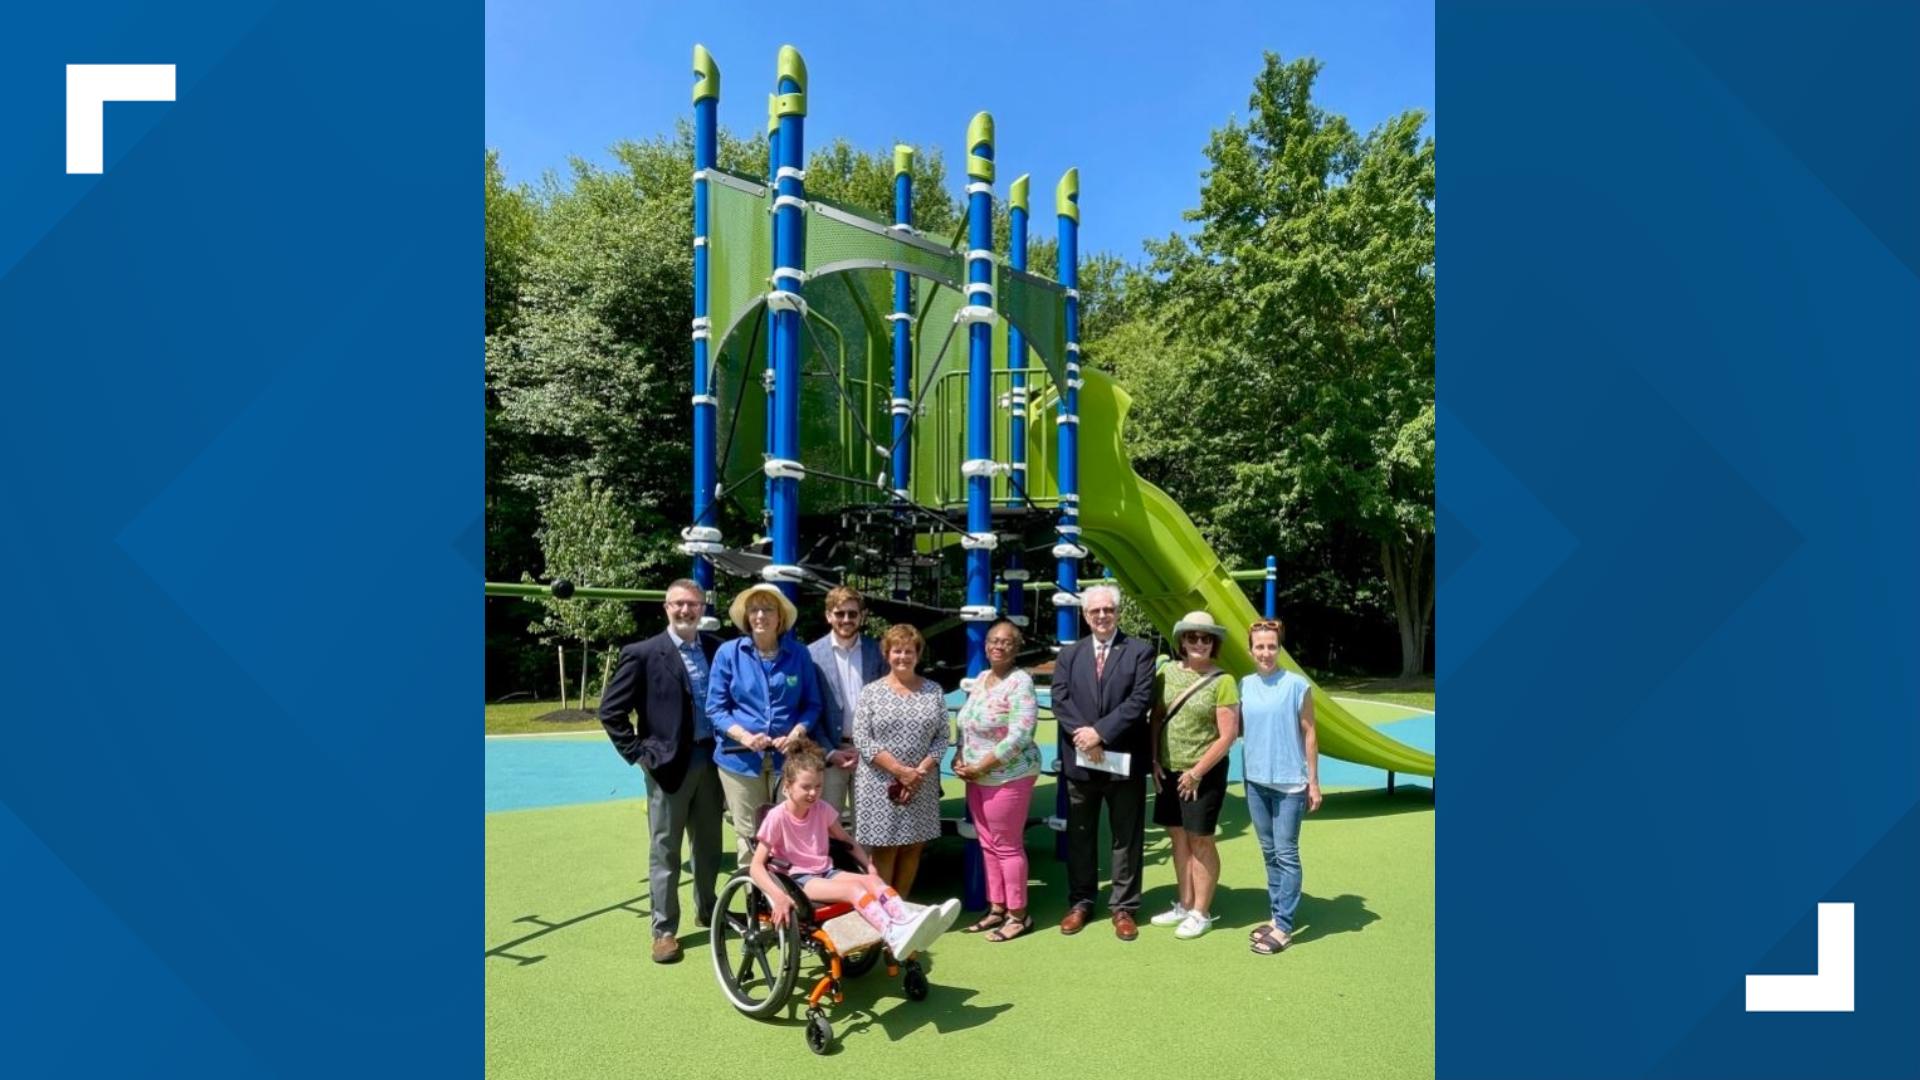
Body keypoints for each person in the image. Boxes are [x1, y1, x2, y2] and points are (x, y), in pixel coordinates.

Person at [596, 579, 725, 964]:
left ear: (703, 609)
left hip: (713, 763)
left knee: (709, 846)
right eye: (679, 604)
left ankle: (709, 909)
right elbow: (611, 712)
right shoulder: (643, 653)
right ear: (666, 607)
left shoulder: (719, 650)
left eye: (694, 604)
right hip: (668, 767)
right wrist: (639, 754)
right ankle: (664, 930)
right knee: (666, 850)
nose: (687, 611)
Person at [749, 734, 960, 960]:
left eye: (818, 786)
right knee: (854, 891)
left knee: (872, 882)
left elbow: (848, 842)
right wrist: (777, 896)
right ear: (788, 787)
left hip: (826, 872)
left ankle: (907, 920)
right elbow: (756, 867)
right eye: (806, 787)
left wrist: (868, 868)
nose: (813, 793)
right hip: (798, 880)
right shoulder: (777, 817)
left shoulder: (821, 808)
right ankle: (893, 933)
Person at [1051, 582, 1157, 940]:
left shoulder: (1140, 651)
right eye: (1094, 610)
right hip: (1080, 761)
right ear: (1085, 615)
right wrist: (1085, 735)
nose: (1101, 616)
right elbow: (1060, 699)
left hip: (1123, 760)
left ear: (1117, 612)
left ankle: (1124, 907)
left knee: (1125, 836)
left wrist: (1100, 733)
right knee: (1080, 834)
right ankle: (1081, 902)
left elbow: (1140, 699)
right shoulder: (1069, 655)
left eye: (1107, 610)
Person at [707, 583, 824, 863]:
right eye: (754, 609)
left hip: (788, 761)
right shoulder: (728, 653)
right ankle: (755, 898)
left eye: (768, 609)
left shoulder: (799, 654)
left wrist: (796, 733)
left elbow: (812, 705)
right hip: (740, 761)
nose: (761, 615)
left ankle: (788, 899)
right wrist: (744, 736)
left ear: (780, 618)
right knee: (749, 835)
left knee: (789, 831)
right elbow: (715, 707)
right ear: (747, 617)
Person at [1147, 611, 1241, 940]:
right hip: (1168, 771)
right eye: (1191, 637)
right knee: (1177, 837)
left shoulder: (1223, 681)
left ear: (1213, 643)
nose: (1198, 643)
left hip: (1205, 774)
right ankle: (1185, 904)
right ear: (1182, 642)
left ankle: (1202, 911)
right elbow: (1157, 718)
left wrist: (1198, 772)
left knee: (1201, 839)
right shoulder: (1166, 674)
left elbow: (1227, 736)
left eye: (1205, 638)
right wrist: (1155, 760)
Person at [952, 619, 1042, 942]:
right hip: (977, 776)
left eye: (1006, 641)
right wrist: (961, 756)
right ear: (986, 645)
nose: (998, 646)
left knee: (1007, 846)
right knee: (988, 845)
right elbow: (967, 722)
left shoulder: (1020, 683)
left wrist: (982, 766)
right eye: (993, 640)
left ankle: (1019, 915)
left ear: (1016, 648)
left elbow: (1021, 734)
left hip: (1008, 775)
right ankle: (997, 908)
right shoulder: (981, 678)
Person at [1239, 619, 1321, 955]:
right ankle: (1276, 916)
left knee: (1286, 854)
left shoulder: (1296, 686)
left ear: (1279, 648)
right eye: (1260, 646)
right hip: (1256, 781)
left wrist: (1313, 782)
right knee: (1268, 851)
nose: (1266, 652)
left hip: (1289, 783)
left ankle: (1284, 926)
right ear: (1250, 650)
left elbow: (1310, 732)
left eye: (1272, 646)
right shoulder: (1243, 684)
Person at [850, 623, 948, 899]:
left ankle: (901, 906)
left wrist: (919, 772)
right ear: (887, 654)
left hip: (921, 783)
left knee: (913, 847)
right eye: (897, 651)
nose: (903, 657)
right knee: (884, 848)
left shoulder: (934, 691)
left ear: (917, 655)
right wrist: (898, 770)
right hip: (880, 784)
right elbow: (862, 738)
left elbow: (942, 738)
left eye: (909, 651)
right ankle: (884, 912)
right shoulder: (871, 692)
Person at [807, 586, 886, 829]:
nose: (846, 620)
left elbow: (885, 705)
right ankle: (833, 869)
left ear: (861, 616)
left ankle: (865, 869)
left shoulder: (878, 651)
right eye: (840, 613)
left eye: (852, 614)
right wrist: (830, 752)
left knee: (870, 828)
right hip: (829, 753)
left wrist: (869, 748)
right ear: (828, 615)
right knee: (827, 827)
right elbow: (811, 708)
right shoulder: (811, 654)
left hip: (869, 753)